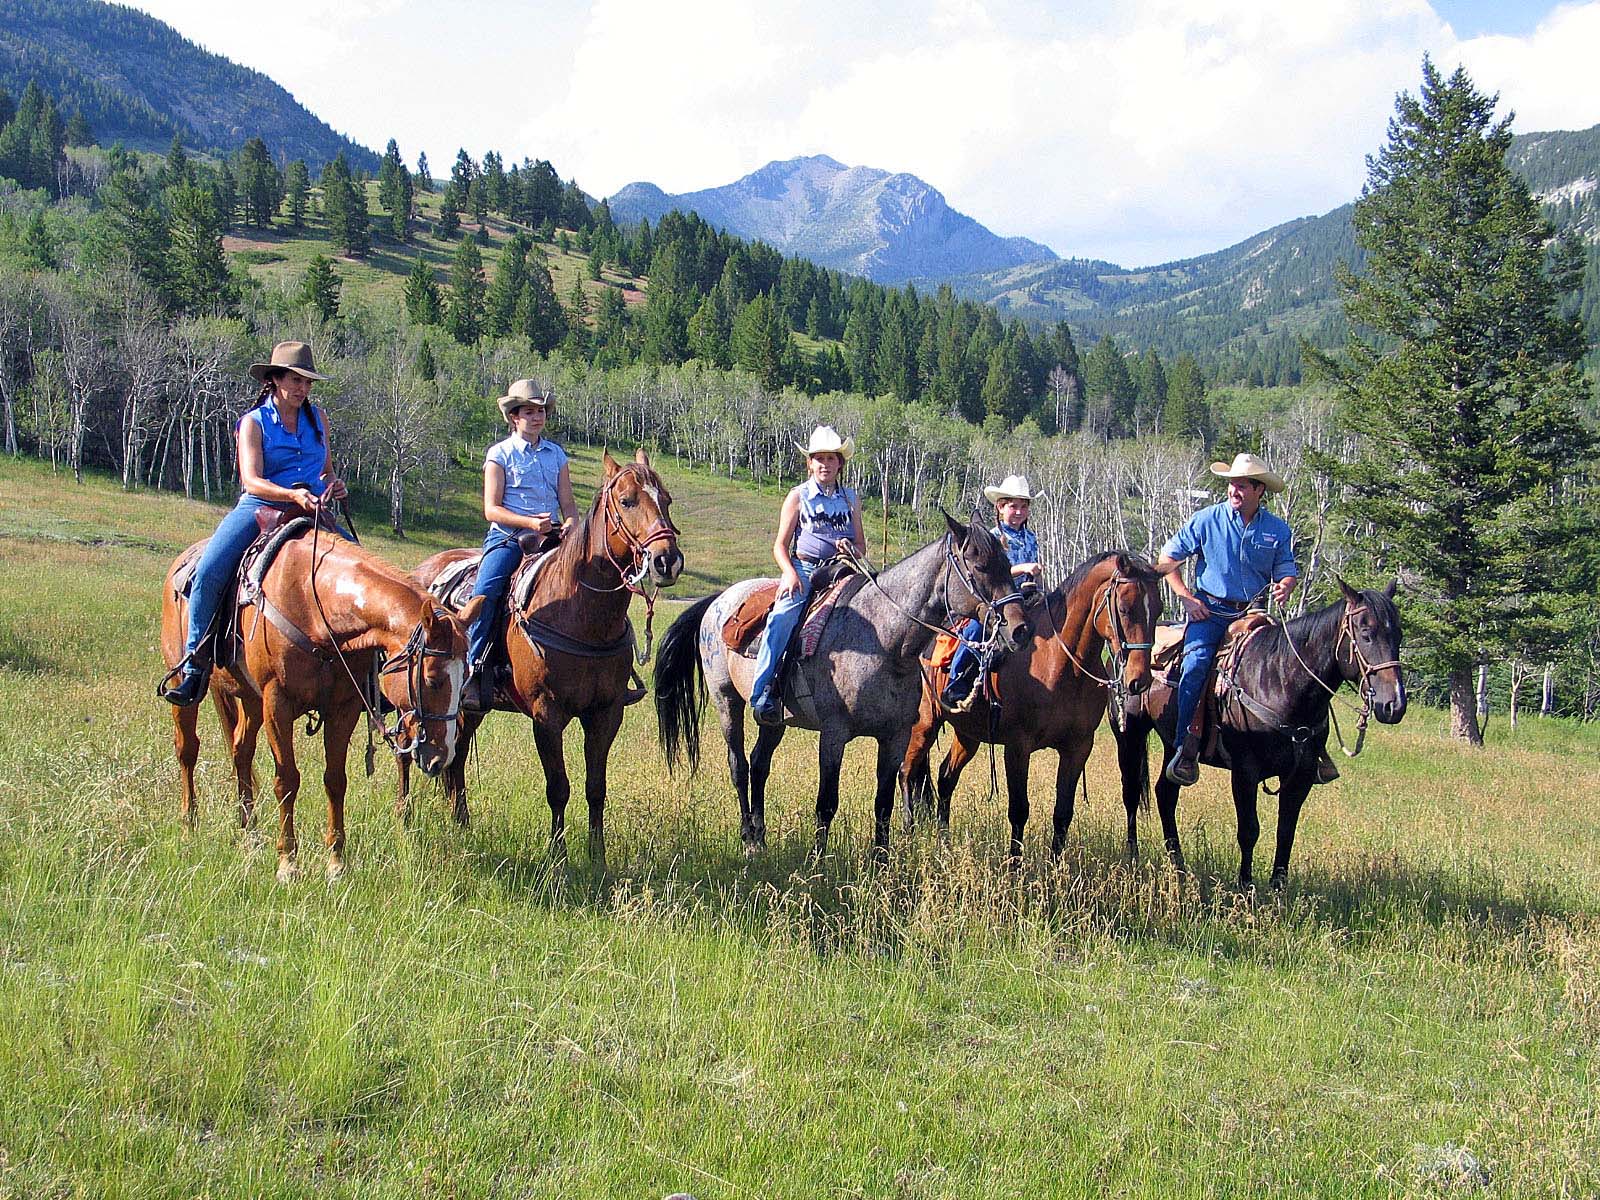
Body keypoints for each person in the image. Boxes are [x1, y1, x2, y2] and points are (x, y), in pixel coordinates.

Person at [161, 341, 348, 706]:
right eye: (296, 380)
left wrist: (333, 484)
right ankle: (195, 666)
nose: (303, 389)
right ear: (275, 380)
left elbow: (325, 472)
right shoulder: (253, 423)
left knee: (361, 572)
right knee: (210, 572)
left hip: (310, 511)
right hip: (260, 508)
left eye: (308, 382)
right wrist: (292, 494)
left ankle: (369, 676)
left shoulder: (318, 419)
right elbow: (252, 480)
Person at [1158, 451, 1316, 786]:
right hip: (1209, 611)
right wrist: (1187, 598)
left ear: (1259, 491)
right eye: (1232, 485)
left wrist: (1286, 585)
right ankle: (1185, 745)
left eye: (1242, 486)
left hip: (1253, 613)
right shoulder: (1206, 520)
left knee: (1293, 666)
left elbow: (1286, 568)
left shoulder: (1277, 529)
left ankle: (1308, 748)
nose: (1234, 491)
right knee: (1197, 664)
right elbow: (1168, 559)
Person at [461, 378, 578, 709]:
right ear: (514, 417)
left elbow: (568, 505)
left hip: (552, 538)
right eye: (529, 411)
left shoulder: (556, 454)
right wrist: (529, 522)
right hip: (510, 537)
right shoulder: (499, 454)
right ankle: (474, 668)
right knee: (486, 591)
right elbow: (491, 509)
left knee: (593, 579)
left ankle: (611, 668)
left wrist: (570, 524)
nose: (537, 417)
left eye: (540, 411)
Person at [749, 425, 867, 726]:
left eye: (831, 458)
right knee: (782, 618)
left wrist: (850, 548)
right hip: (805, 569)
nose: (824, 464)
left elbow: (861, 546)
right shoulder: (798, 496)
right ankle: (763, 690)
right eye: (819, 459)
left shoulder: (850, 498)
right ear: (809, 463)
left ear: (840, 463)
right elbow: (779, 545)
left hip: (842, 569)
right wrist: (789, 573)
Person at [939, 473, 1043, 712]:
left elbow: (1034, 568)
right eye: (1012, 506)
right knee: (976, 629)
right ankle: (958, 680)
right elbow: (996, 572)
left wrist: (1035, 580)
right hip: (996, 598)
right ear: (1000, 507)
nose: (1018, 512)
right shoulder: (993, 537)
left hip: (1025, 597)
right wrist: (1023, 569)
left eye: (1023, 507)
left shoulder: (1031, 538)